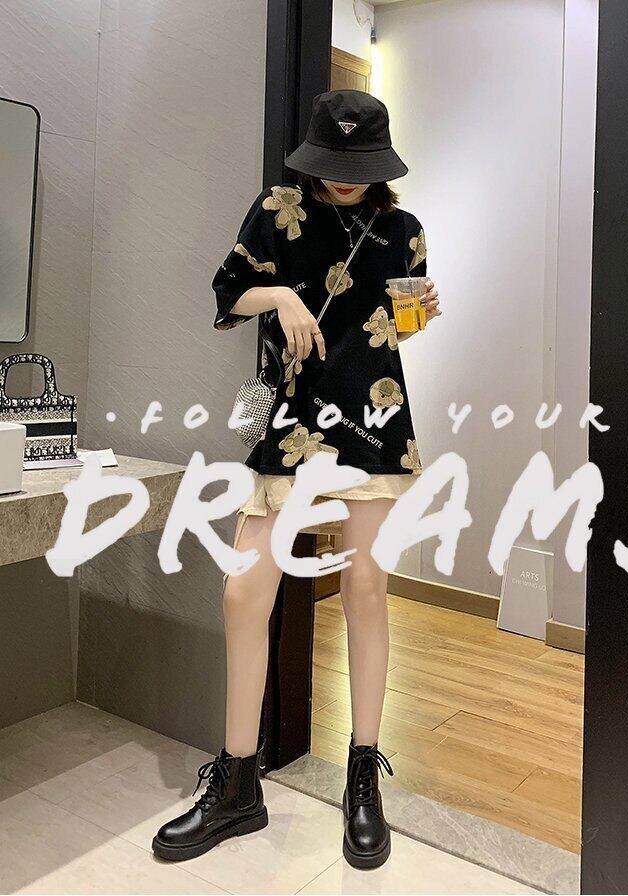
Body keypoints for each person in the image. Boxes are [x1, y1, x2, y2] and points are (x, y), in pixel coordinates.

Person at [152, 89, 440, 869]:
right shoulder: (278, 209)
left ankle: (362, 777)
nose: (345, 177)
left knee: (366, 590)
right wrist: (279, 294)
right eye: (335, 162)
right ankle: (239, 781)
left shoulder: (405, 230)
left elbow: (403, 329)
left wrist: (421, 308)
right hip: (292, 421)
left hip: (374, 421)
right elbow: (227, 292)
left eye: (359, 165)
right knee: (244, 591)